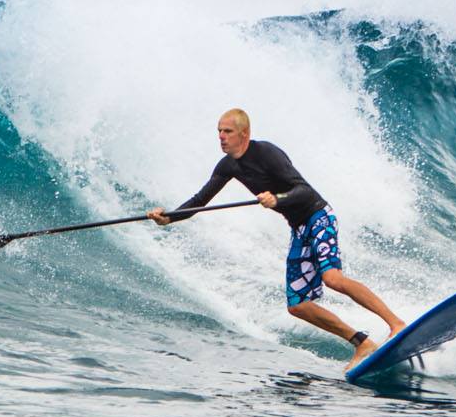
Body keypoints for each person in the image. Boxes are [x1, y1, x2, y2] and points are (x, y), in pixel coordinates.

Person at [149, 108, 408, 370]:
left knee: (332, 278)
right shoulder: (227, 165)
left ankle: (395, 323)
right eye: (219, 131)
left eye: (227, 131)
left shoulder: (266, 153)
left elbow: (303, 190)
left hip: (318, 216)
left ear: (244, 133)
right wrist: (168, 217)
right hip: (299, 228)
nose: (221, 137)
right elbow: (199, 201)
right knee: (298, 306)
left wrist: (278, 199)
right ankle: (362, 342)